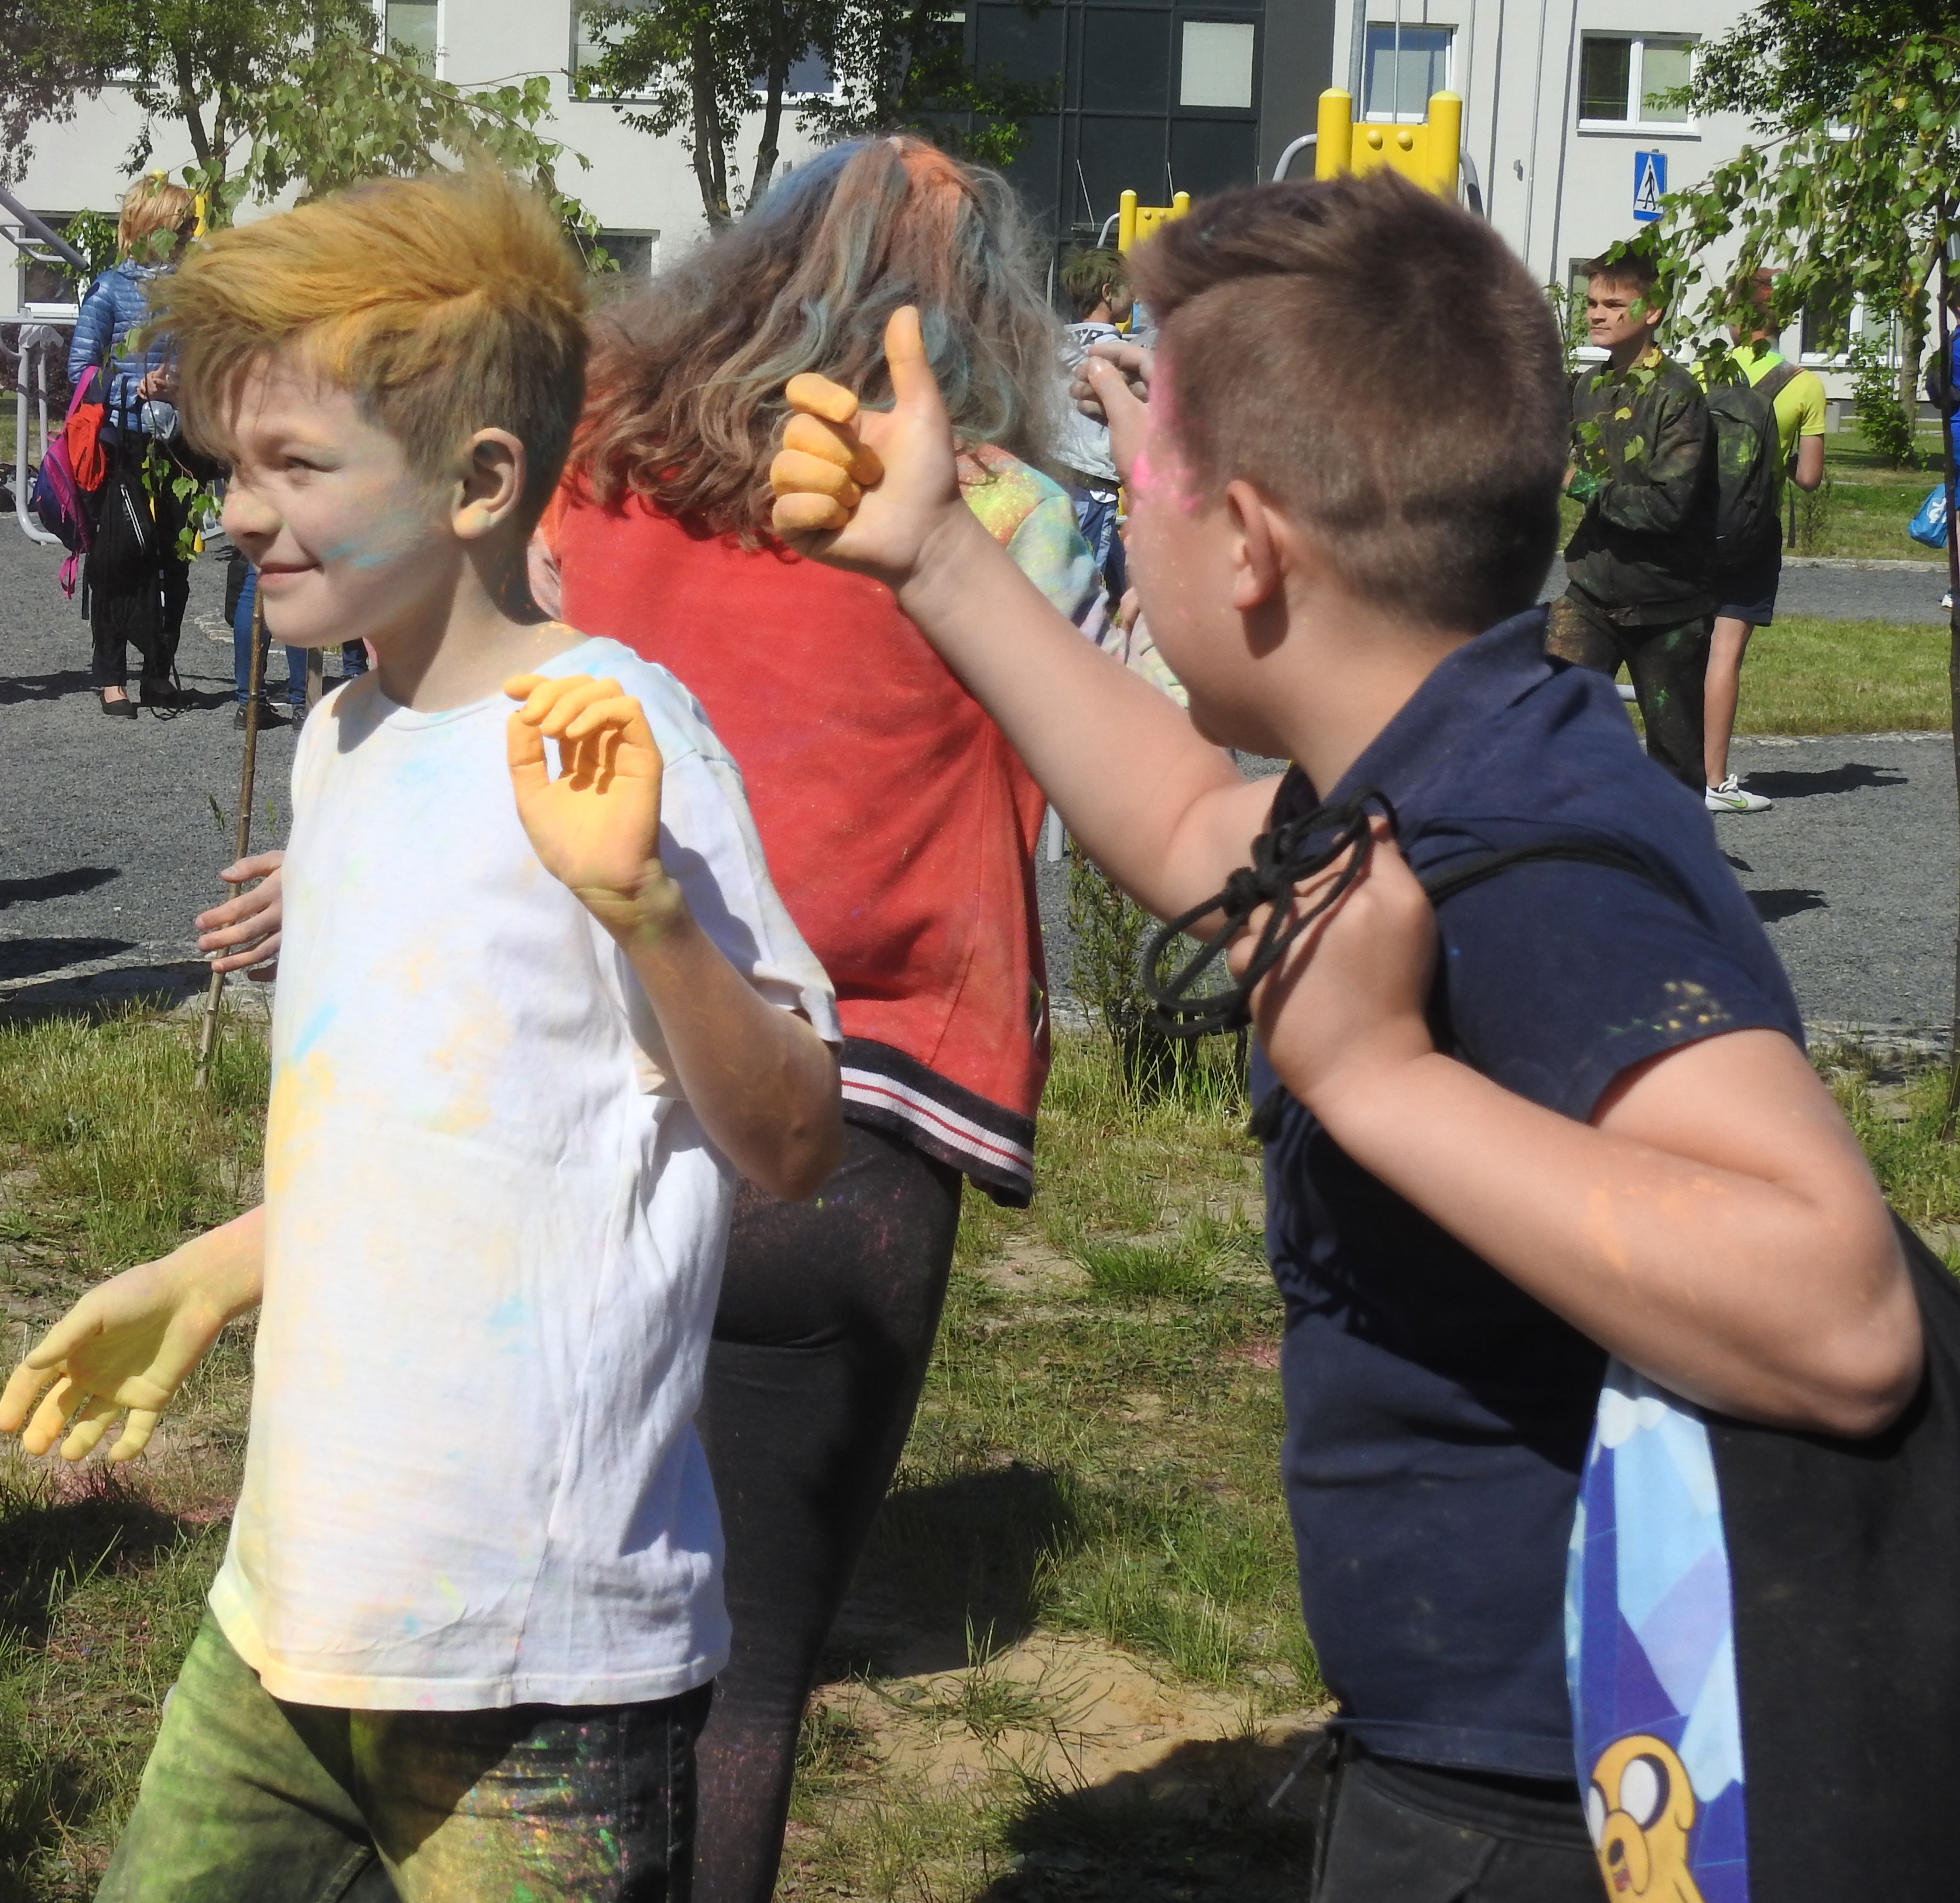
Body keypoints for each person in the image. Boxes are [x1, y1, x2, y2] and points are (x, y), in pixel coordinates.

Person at [765, 170, 1920, 1899]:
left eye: (1140, 467)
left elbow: (1840, 1312)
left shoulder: (1529, 844)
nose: (1118, 494)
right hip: (1486, 1760)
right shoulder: (1442, 757)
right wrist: (933, 553)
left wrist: (1380, 1081)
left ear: (1246, 545)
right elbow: (1186, 828)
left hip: (1563, 1808)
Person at [0, 168, 845, 1902]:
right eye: (235, 467)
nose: (241, 513)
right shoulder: (345, 743)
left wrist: (648, 913)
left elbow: (792, 1138)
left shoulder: (616, 734)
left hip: (541, 1655)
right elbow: (420, 1133)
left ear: (478, 482)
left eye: (295, 467)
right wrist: (211, 1271)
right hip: (291, 1607)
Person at [550, 134, 1107, 1903]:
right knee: (750, 1676)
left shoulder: (587, 457)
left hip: (588, 1083)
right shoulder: (998, 515)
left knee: (535, 1637)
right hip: (862, 1129)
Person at [1546, 249, 1716, 792]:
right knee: (1549, 729)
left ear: (1652, 312)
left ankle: (1675, 845)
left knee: (1675, 761)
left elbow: (1667, 507)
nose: (1597, 314)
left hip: (1667, 605)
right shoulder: (1588, 388)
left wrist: (1579, 484)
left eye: (1614, 304)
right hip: (1590, 592)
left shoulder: (1677, 395)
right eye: (1592, 303)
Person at [67, 177, 204, 715]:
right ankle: (110, 675)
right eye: (182, 226)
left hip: (180, 441)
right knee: (119, 559)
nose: (190, 234)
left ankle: (159, 671)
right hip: (123, 441)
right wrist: (134, 387)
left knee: (175, 561)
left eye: (192, 225)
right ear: (152, 228)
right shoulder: (109, 289)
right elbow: (81, 374)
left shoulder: (192, 291)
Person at [1705, 304, 1828, 813]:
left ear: (1732, 322)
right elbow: (1810, 478)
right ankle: (1713, 781)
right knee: (1725, 654)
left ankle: (1667, 769)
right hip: (1752, 533)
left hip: (1690, 528)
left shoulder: (1702, 372)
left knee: (1676, 648)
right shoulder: (1804, 384)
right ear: (1783, 322)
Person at [1053, 244, 1134, 600]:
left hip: (1055, 477)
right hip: (1094, 484)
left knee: (1116, 579)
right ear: (1108, 292)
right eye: (1130, 288)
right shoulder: (1120, 353)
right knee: (1083, 593)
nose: (1135, 297)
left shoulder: (1055, 342)